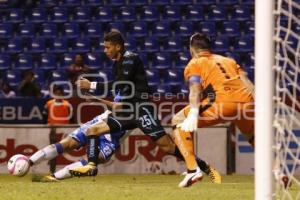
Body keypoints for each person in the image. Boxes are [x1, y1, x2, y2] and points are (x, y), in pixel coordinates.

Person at [69, 30, 221, 183]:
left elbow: (122, 83)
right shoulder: (117, 64)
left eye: (107, 47)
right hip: (127, 110)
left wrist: (92, 85)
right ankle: (91, 166)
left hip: (141, 108)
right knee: (92, 130)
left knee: (167, 147)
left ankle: (206, 167)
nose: (105, 51)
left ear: (118, 47)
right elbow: (120, 89)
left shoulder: (130, 59)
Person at [171, 33, 254, 187]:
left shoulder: (194, 63)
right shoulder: (229, 61)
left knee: (178, 120)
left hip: (223, 103)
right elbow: (247, 83)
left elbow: (195, 89)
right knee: (255, 137)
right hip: (247, 103)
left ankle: (192, 169)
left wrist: (194, 113)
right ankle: (277, 170)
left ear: (192, 48)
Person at [28, 110, 127, 182]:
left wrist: (98, 98)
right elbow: (116, 105)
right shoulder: (124, 86)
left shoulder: (139, 95)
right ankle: (29, 162)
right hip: (103, 120)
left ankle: (54, 177)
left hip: (116, 133)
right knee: (68, 143)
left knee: (98, 158)